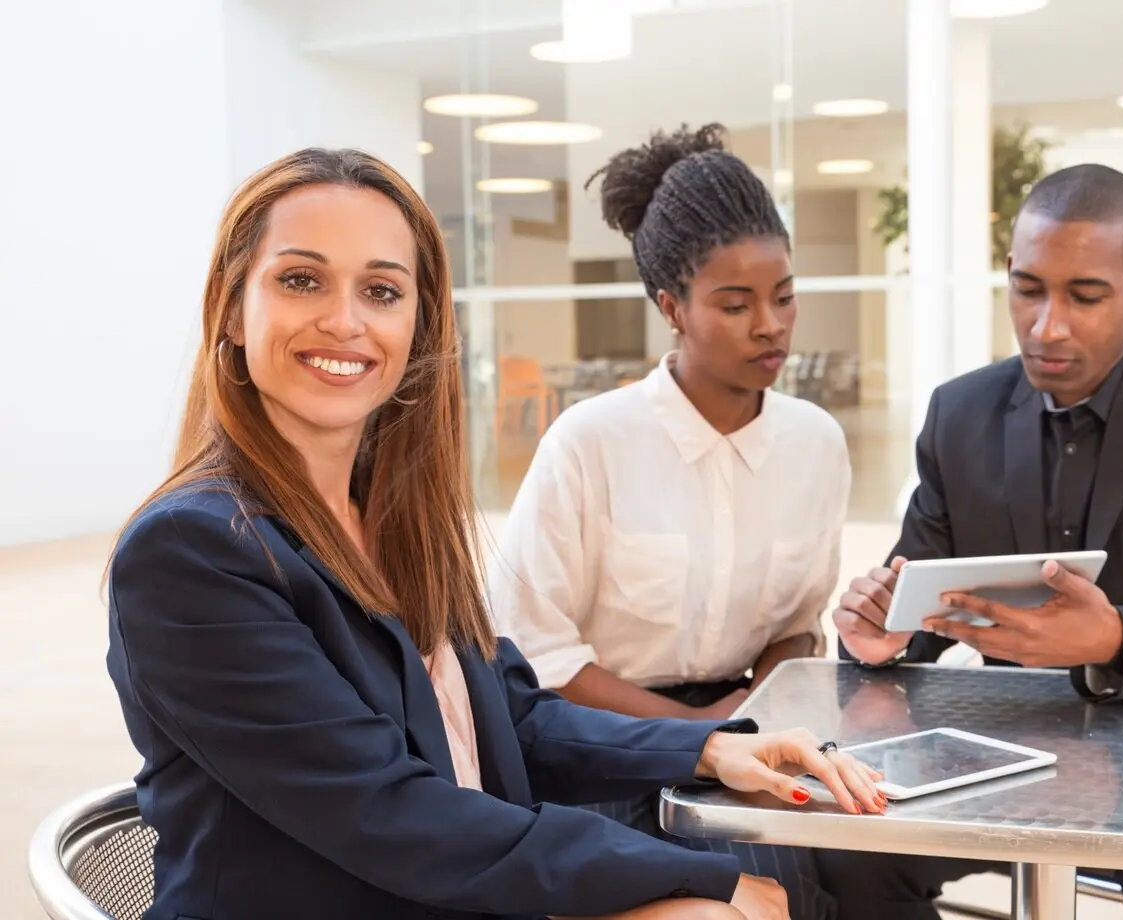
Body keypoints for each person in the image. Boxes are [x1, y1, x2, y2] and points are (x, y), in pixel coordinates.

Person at [104, 147, 884, 920]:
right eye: (302, 280)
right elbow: (388, 813)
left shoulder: (393, 525)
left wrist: (711, 748)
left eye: (381, 290)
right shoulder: (191, 553)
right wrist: (692, 875)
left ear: (418, 325)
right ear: (232, 309)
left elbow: (513, 717)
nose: (344, 321)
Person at [823, 163, 1123, 920]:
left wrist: (1118, 638)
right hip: (999, 758)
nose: (1046, 325)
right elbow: (913, 610)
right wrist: (875, 637)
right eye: (1027, 289)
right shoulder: (961, 415)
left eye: (1084, 296)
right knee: (840, 859)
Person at [487, 123, 857, 920]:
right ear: (671, 308)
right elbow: (537, 654)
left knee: (813, 892)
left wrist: (749, 722)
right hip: (594, 755)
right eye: (735, 303)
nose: (770, 324)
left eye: (784, 296)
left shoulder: (814, 445)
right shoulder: (589, 444)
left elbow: (799, 629)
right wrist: (701, 735)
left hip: (750, 744)